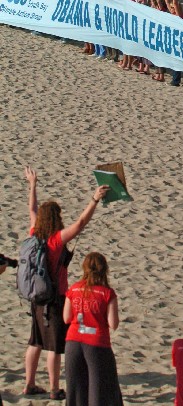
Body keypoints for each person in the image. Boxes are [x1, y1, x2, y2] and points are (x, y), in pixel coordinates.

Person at [23, 166, 109, 400]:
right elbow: (80, 223)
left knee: (35, 342)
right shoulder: (54, 241)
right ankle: (54, 388)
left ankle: (29, 384)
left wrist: (33, 184)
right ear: (56, 219)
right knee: (54, 346)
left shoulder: (34, 233)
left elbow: (31, 208)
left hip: (35, 296)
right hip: (54, 297)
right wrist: (94, 199)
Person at [63, 252, 122, 406]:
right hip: (97, 343)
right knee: (98, 390)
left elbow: (66, 318)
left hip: (73, 340)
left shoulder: (74, 289)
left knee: (75, 390)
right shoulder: (107, 293)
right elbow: (113, 324)